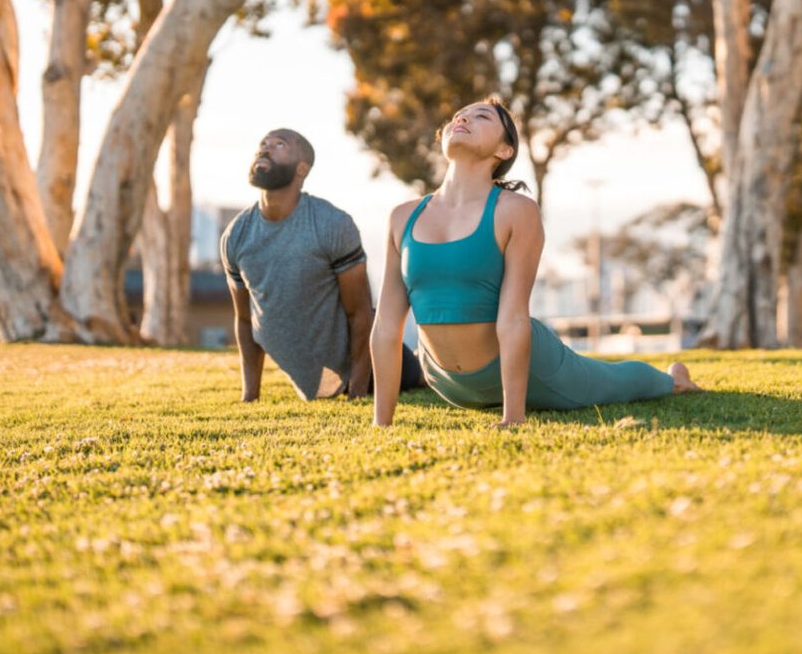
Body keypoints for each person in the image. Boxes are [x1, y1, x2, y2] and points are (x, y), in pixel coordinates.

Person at [369, 98, 699, 427]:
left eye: (480, 116)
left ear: (504, 150)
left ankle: (674, 380)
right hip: (446, 383)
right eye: (458, 116)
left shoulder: (515, 210)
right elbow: (386, 325)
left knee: (609, 380)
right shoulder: (402, 217)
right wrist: (381, 424)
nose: (463, 119)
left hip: (530, 368)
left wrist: (513, 418)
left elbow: (513, 317)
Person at [221, 128, 424, 401]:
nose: (265, 148)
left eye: (279, 144)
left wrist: (358, 393)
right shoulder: (236, 236)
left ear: (301, 169)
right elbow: (246, 320)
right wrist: (250, 396)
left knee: (423, 378)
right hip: (315, 377)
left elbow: (361, 313)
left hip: (371, 363)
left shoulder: (331, 224)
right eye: (263, 143)